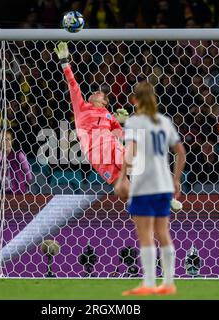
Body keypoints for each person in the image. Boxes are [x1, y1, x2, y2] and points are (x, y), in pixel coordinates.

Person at [114, 82, 186, 296]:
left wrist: (121, 177)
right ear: (154, 99)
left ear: (134, 100)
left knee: (145, 235)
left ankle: (148, 283)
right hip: (164, 183)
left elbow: (131, 151)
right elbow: (181, 153)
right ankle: (169, 283)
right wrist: (176, 180)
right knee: (163, 233)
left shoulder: (135, 122)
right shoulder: (165, 121)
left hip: (144, 184)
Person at [53, 41, 130, 192]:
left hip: (112, 146)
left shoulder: (109, 116)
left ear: (105, 102)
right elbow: (73, 84)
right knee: (121, 187)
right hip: (95, 153)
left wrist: (127, 121)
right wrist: (64, 62)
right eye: (95, 91)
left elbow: (120, 133)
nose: (95, 92)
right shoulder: (81, 107)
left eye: (99, 93)